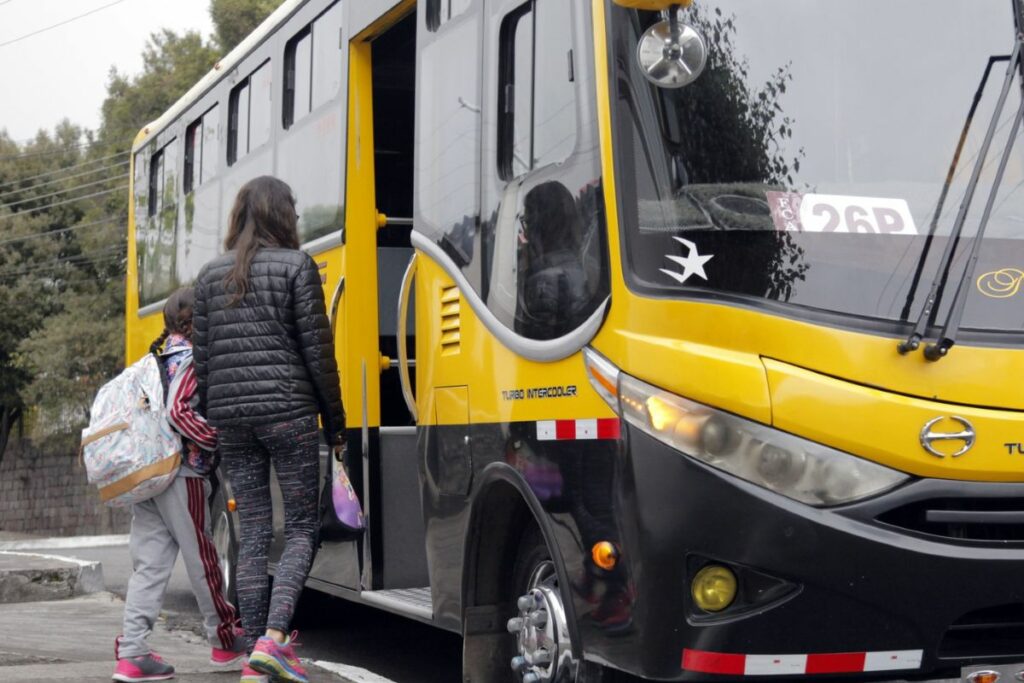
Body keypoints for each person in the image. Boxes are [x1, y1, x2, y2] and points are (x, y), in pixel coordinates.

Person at [193, 176, 346, 683]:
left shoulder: (209, 276)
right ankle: (273, 639)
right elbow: (319, 355)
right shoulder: (297, 266)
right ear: (282, 215)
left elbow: (204, 361)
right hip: (289, 415)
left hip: (232, 420)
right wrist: (337, 424)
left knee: (254, 531)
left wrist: (216, 420)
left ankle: (255, 660)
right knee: (302, 527)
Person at [114, 287, 245, 683]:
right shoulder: (192, 357)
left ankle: (133, 652)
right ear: (197, 322)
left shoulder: (156, 358)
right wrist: (213, 438)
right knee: (203, 556)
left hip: (151, 475)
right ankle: (224, 639)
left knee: (149, 566)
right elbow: (178, 409)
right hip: (183, 472)